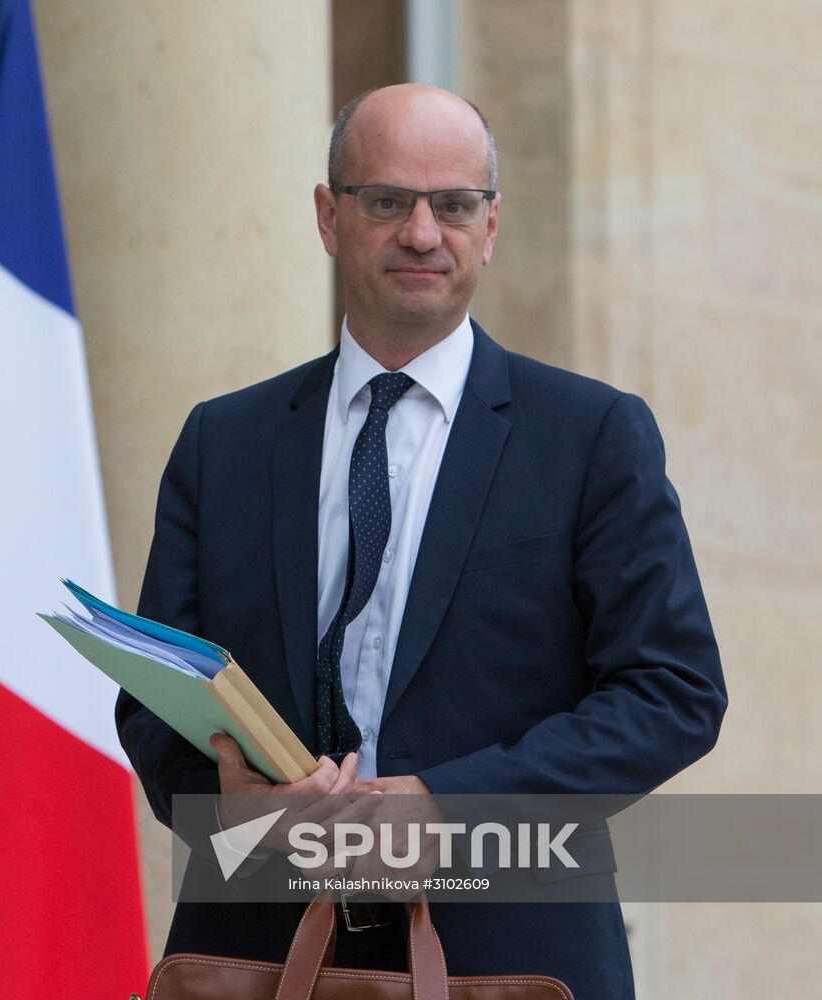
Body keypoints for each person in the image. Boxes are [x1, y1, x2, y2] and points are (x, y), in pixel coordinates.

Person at [115, 83, 727, 999]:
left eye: (452, 205)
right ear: (329, 217)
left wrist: (447, 808)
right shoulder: (223, 441)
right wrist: (223, 811)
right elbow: (151, 698)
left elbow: (671, 693)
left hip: (507, 960)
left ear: (489, 226)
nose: (420, 232)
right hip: (254, 954)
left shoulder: (590, 436)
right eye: (386, 201)